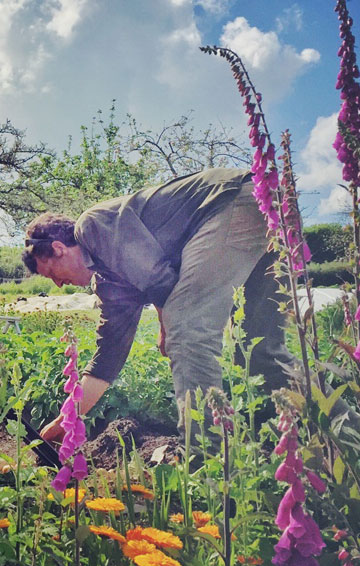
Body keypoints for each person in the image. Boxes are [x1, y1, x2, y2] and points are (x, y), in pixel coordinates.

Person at [21, 168, 297, 441]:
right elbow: (109, 355)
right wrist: (67, 419)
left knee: (186, 328)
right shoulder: (109, 279)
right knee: (260, 350)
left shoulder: (91, 227)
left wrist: (167, 329)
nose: (57, 285)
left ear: (58, 248)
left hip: (232, 200)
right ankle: (334, 435)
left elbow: (158, 277)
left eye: (51, 273)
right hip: (264, 202)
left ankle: (207, 459)